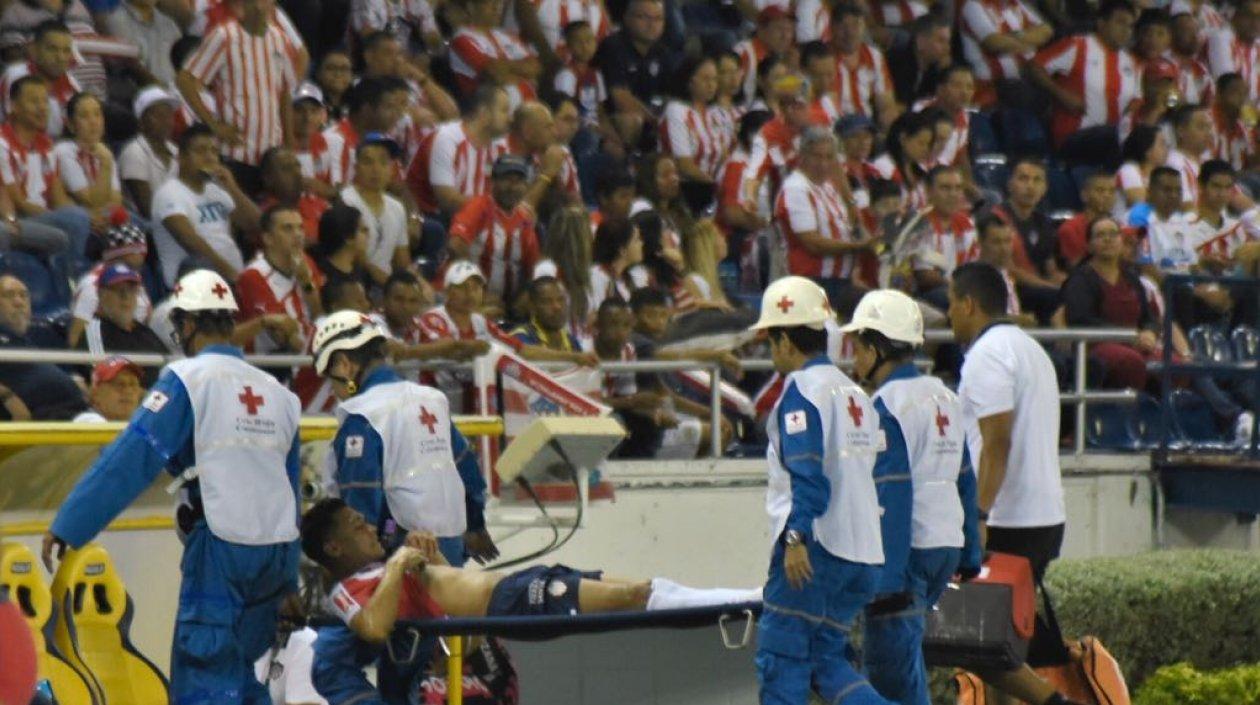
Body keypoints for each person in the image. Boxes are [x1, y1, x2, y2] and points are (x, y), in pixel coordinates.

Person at [42, 268, 304, 705]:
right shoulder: (278, 393)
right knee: (246, 675)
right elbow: (291, 491)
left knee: (207, 675)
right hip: (275, 553)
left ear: (187, 325)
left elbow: (132, 458)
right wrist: (291, 577)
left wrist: (70, 524)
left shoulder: (189, 379)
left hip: (223, 546)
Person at [301, 496, 760, 640]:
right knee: (635, 596)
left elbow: (443, 591)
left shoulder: (387, 566)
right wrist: (401, 563)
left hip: (515, 586)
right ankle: (749, 600)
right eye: (358, 527)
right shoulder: (346, 589)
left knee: (642, 585)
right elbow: (374, 628)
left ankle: (745, 597)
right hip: (508, 603)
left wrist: (429, 558)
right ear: (333, 547)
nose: (370, 531)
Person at [749, 275, 890, 705]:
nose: (770, 352)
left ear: (786, 342)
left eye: (770, 341)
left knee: (782, 660)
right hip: (863, 552)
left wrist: (796, 537)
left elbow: (808, 475)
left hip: (816, 553)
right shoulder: (856, 394)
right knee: (827, 663)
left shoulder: (801, 392)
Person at [840, 289, 981, 705]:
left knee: (889, 676)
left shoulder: (887, 405)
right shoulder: (943, 395)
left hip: (907, 552)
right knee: (907, 662)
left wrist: (886, 580)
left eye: (860, 347)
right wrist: (972, 553)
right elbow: (964, 476)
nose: (855, 359)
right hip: (945, 545)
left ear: (877, 346)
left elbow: (892, 492)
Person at [948, 262, 1080, 705]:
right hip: (1042, 514)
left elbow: (996, 443)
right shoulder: (1029, 349)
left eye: (951, 305)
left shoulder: (987, 356)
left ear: (969, 303)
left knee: (989, 647)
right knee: (1004, 646)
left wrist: (979, 515)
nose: (949, 316)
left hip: (1007, 519)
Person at [311, 309, 498, 567]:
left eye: (330, 378)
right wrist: (475, 524)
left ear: (344, 364)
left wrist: (378, 549)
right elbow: (468, 469)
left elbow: (360, 508)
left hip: (402, 553)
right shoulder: (431, 400)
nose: (333, 389)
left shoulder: (363, 417)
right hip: (452, 544)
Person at [177, 0, 299, 193]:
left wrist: (290, 144)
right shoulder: (224, 35)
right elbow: (185, 80)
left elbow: (285, 93)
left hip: (271, 154)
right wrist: (214, 125)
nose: (259, 5)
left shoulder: (281, 39)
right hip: (235, 153)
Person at [774, 126, 875, 315]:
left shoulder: (829, 187)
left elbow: (853, 226)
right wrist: (858, 247)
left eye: (829, 157)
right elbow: (813, 244)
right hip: (813, 283)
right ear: (802, 156)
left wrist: (845, 189)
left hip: (840, 281)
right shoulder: (796, 189)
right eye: (817, 157)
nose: (823, 164)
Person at [0, 75, 94, 275]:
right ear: (14, 106)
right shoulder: (3, 144)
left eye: (45, 101)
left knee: (95, 220)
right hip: (16, 220)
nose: (42, 107)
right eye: (34, 101)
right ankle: (72, 281)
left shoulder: (47, 145)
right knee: (74, 220)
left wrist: (90, 217)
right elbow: (19, 204)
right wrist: (71, 217)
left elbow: (58, 197)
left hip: (41, 217)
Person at [151, 123, 261, 287]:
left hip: (230, 280)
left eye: (214, 151)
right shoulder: (169, 193)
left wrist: (233, 188)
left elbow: (257, 225)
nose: (209, 157)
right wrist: (232, 276)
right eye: (201, 151)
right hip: (194, 284)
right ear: (181, 157)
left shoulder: (217, 190)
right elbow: (191, 242)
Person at [1028, 0, 1138, 160]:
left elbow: (1135, 102)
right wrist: (1061, 94)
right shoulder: (1078, 45)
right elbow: (1034, 66)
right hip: (1074, 137)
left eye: (1130, 26)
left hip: (1110, 140)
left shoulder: (1131, 62)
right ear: (1101, 23)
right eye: (1120, 22)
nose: (1126, 30)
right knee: (1116, 137)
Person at [448, 154, 540, 305]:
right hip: (471, 301)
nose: (512, 187)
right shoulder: (479, 207)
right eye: (506, 180)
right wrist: (478, 294)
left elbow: (533, 266)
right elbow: (456, 245)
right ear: (493, 182)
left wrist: (526, 296)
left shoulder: (525, 221)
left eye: (518, 181)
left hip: (508, 306)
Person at [407, 84, 512, 215]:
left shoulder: (500, 146)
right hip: (430, 216)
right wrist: (493, 212)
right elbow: (446, 199)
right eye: (504, 111)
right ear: (484, 113)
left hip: (477, 219)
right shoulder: (447, 138)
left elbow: (508, 194)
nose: (510, 118)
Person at [235, 205, 322, 356]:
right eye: (288, 229)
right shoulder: (254, 275)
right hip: (271, 363)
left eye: (300, 228)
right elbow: (283, 337)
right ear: (268, 238)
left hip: (306, 357)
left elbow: (319, 318)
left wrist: (306, 282)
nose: (298, 235)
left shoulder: (306, 263)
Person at [0, 273, 86, 419]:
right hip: (44, 418)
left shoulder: (32, 339)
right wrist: (7, 397)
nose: (19, 302)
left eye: (24, 296)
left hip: (74, 412)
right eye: (9, 295)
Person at [73, 263, 168, 386]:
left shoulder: (145, 333)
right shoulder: (95, 333)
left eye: (131, 290)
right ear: (101, 295)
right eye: (119, 290)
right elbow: (103, 383)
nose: (126, 297)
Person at [338, 135, 412, 287]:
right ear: (356, 168)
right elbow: (353, 258)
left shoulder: (397, 207)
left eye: (383, 162)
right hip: (354, 283)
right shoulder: (346, 201)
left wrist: (416, 284)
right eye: (368, 162)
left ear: (392, 169)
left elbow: (402, 260)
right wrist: (389, 284)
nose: (376, 169)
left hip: (388, 288)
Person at [69, 215, 151, 348]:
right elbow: (76, 340)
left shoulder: (135, 280)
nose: (141, 256)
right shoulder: (92, 286)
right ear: (116, 257)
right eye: (135, 252)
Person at [449, 0, 541, 107]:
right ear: (471, 7)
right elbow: (494, 73)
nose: (496, 7)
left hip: (526, 107)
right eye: (490, 2)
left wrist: (505, 68)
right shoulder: (462, 38)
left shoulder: (505, 35)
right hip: (487, 108)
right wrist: (524, 75)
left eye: (498, 2)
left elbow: (536, 66)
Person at [53, 93, 123, 230]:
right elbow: (92, 201)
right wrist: (106, 163)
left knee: (134, 224)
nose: (93, 121)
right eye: (84, 116)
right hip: (78, 223)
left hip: (103, 218)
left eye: (97, 114)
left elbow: (116, 201)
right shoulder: (64, 151)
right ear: (71, 125)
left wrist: (106, 160)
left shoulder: (104, 152)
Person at [0, 20, 80, 138]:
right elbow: (15, 126)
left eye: (66, 50)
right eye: (52, 49)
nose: (60, 57)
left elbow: (77, 133)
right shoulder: (16, 76)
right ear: (33, 49)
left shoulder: (73, 85)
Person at [118, 85, 179, 219]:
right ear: (141, 122)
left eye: (169, 115)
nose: (167, 121)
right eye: (159, 115)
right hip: (149, 226)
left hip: (180, 219)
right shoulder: (134, 152)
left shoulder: (177, 151)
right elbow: (147, 209)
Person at [258, 145, 331, 245]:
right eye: (287, 168)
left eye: (298, 166)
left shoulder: (315, 202)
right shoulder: (268, 213)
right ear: (268, 179)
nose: (297, 173)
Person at [102, 0, 183, 86]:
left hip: (175, 93)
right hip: (139, 94)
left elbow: (183, 68)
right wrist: (164, 92)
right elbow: (134, 69)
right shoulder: (117, 20)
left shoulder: (170, 25)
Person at [1057, 170, 1119, 269]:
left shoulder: (1118, 226)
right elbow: (1076, 268)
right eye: (1100, 190)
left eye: (1112, 191)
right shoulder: (1070, 228)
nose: (1107, 195)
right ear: (1084, 195)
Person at [75, 355, 145, 423]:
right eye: (119, 384)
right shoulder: (87, 421)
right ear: (95, 394)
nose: (128, 391)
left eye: (133, 384)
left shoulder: (144, 425)